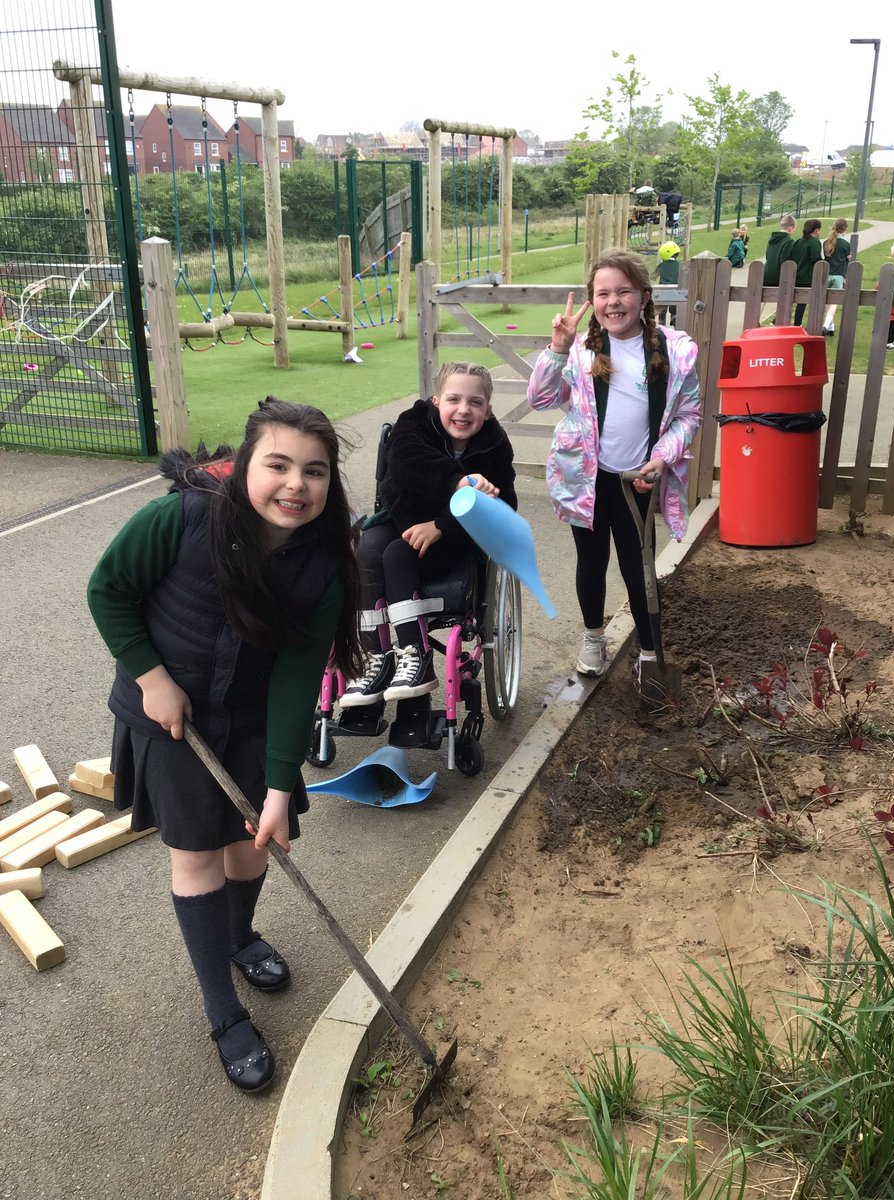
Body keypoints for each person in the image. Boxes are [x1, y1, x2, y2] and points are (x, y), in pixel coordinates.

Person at [86, 399, 364, 1094]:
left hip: (248, 718)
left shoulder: (323, 568)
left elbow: (299, 679)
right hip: (168, 718)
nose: (295, 484)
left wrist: (277, 788)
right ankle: (222, 1010)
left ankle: (240, 938)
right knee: (199, 858)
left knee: (250, 844)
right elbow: (108, 591)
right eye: (278, 464)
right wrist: (152, 679)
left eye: (315, 471)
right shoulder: (180, 519)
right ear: (244, 465)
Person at [526, 248, 701, 679]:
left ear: (644, 296)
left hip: (635, 480)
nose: (614, 302)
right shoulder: (581, 354)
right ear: (593, 300)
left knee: (638, 564)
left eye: (624, 291)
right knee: (591, 561)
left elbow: (689, 414)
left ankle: (647, 651)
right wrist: (556, 349)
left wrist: (661, 459)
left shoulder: (674, 352)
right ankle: (592, 637)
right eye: (603, 293)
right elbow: (540, 398)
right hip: (585, 480)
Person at [341, 362, 517, 706]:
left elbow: (504, 506)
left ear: (489, 409)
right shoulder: (414, 423)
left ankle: (416, 655)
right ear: (436, 401)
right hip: (403, 515)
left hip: (457, 533)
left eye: (475, 403)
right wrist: (459, 482)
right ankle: (376, 658)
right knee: (366, 552)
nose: (463, 410)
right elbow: (407, 462)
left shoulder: (495, 444)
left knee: (397, 554)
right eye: (454, 399)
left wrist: (442, 526)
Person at [789, 218, 823, 327]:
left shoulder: (798, 241)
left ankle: (777, 320)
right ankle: (797, 324)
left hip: (796, 275)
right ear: (816, 230)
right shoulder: (814, 242)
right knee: (802, 302)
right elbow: (816, 259)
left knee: (790, 300)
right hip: (807, 277)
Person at [822, 218, 851, 336]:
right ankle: (826, 325)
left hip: (827, 274)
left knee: (826, 302)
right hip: (839, 275)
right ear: (845, 230)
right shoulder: (846, 244)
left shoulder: (826, 242)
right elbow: (847, 260)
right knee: (834, 304)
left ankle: (831, 327)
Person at [763, 214, 796, 287]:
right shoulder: (789, 241)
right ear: (791, 227)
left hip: (767, 274)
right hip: (779, 277)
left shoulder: (771, 239)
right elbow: (785, 261)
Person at [654, 241, 680, 326]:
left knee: (662, 312)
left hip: (663, 292)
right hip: (675, 292)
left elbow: (653, 276)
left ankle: (662, 325)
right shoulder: (680, 265)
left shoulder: (662, 265)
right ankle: (674, 318)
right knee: (674, 309)